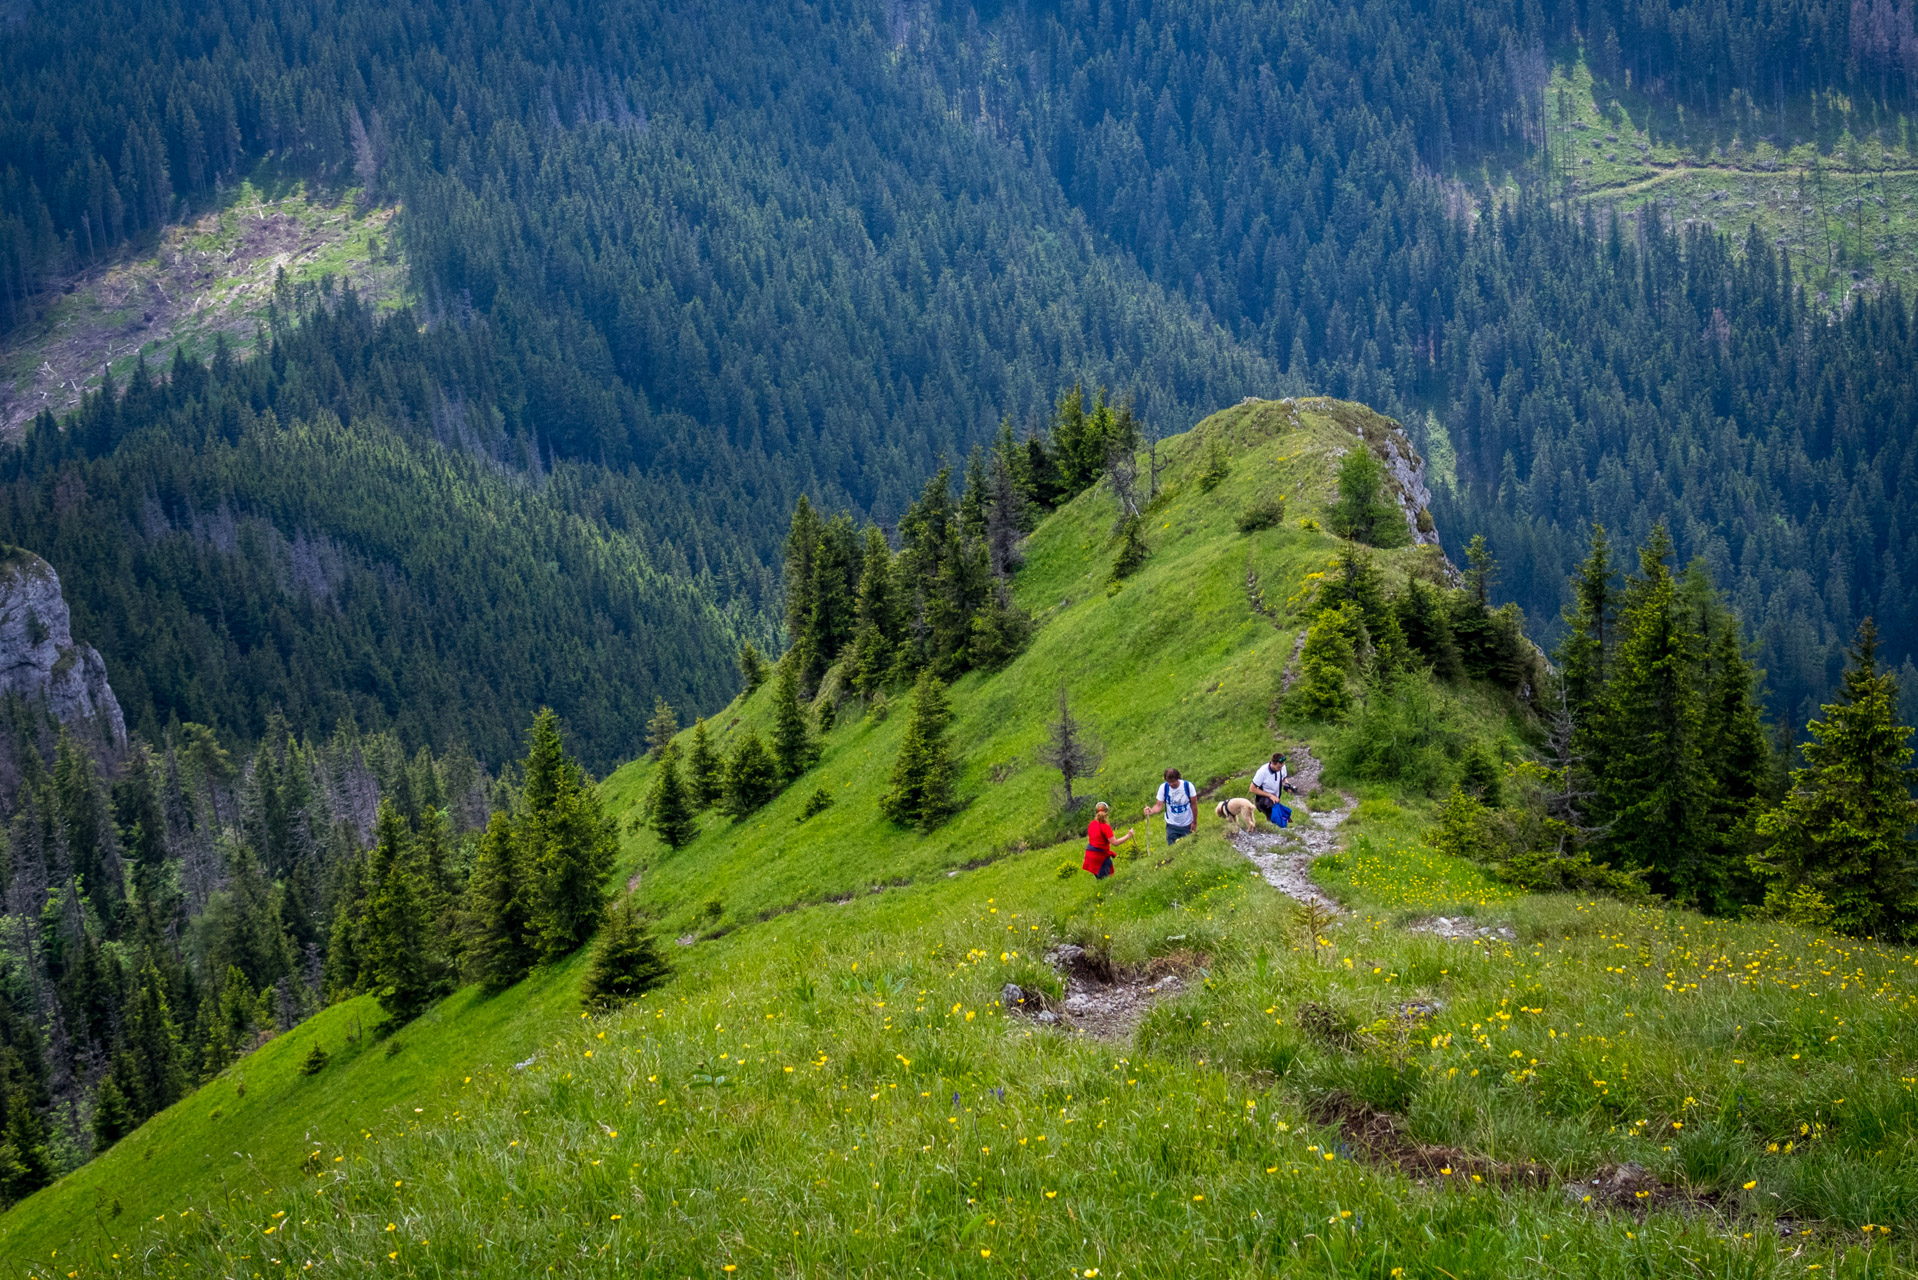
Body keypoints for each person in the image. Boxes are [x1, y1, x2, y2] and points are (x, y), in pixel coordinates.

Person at [1144, 767, 1199, 844]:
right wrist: (1151, 811)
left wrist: (1194, 822)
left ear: (1178, 778)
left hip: (1187, 824)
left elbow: (1194, 805)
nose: (1171, 784)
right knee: (1173, 850)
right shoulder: (1164, 788)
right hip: (1171, 826)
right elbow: (1158, 806)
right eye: (1169, 782)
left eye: (1173, 782)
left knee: (1189, 847)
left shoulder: (1188, 786)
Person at [1081, 802, 1133, 878]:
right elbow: (1115, 843)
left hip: (1090, 855)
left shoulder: (1092, 824)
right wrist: (1129, 835)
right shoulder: (1105, 827)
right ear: (1107, 813)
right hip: (1100, 857)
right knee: (1108, 879)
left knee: (1100, 880)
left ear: (1096, 812)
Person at [1250, 752, 1292, 827]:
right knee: (1277, 820)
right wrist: (1270, 795)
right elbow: (1252, 789)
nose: (1280, 769)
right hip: (1263, 801)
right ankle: (1271, 829)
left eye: (1282, 767)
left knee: (1283, 817)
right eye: (1278, 767)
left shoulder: (1282, 767)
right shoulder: (1262, 772)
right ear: (1272, 763)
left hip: (1275, 799)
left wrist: (1287, 785)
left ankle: (1276, 826)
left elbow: (1284, 778)